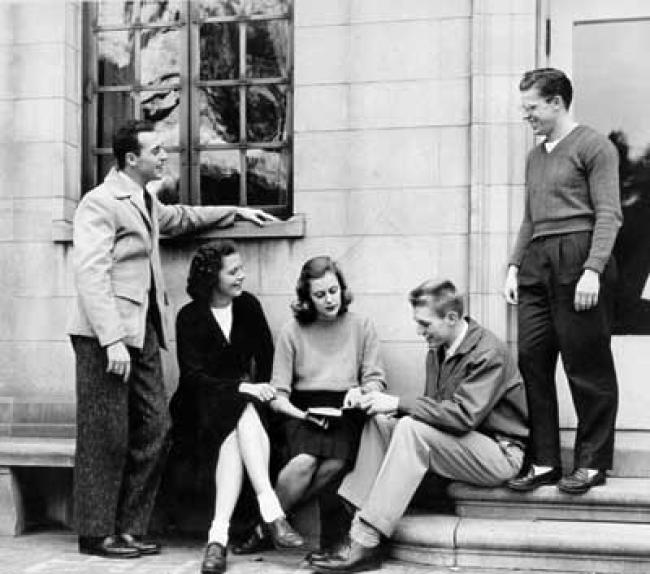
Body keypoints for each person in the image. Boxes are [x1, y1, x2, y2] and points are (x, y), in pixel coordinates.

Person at [67, 120, 277, 559]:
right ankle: (95, 532)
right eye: (157, 150)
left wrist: (234, 213)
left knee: (157, 427)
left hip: (143, 330)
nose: (164, 156)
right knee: (107, 433)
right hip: (104, 335)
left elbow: (179, 217)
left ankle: (128, 527)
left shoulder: (144, 199)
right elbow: (90, 274)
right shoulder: (100, 203)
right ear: (131, 159)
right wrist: (111, 340)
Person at [311, 279, 528, 574]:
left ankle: (367, 539)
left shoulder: (489, 353)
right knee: (380, 422)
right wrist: (379, 404)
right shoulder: (438, 349)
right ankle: (356, 528)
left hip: (500, 454)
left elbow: (463, 416)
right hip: (462, 444)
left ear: (451, 318)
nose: (419, 331)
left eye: (425, 324)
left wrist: (398, 402)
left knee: (409, 428)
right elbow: (432, 412)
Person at [504, 68, 622, 495]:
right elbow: (530, 218)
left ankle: (592, 463)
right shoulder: (534, 156)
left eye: (531, 107)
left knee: (585, 362)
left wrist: (592, 269)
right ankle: (544, 461)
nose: (526, 116)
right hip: (538, 260)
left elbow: (610, 213)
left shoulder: (594, 146)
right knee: (532, 359)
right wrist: (515, 266)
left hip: (579, 257)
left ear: (556, 102)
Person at [170, 241, 303, 574]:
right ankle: (271, 511)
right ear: (212, 276)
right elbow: (192, 378)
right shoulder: (189, 317)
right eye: (233, 271)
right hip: (197, 409)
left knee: (237, 422)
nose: (242, 276)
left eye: (241, 269)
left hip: (243, 411)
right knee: (238, 406)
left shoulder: (248, 307)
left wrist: (265, 392)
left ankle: (217, 539)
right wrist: (243, 387)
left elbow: (269, 360)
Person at [259, 256, 386, 561]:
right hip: (301, 410)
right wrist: (301, 415)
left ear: (342, 289)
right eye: (319, 295)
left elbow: (377, 381)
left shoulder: (362, 325)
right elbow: (278, 395)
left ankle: (263, 528)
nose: (329, 300)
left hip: (345, 409)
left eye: (333, 291)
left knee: (333, 463)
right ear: (307, 298)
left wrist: (361, 392)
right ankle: (270, 522)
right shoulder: (292, 331)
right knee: (304, 461)